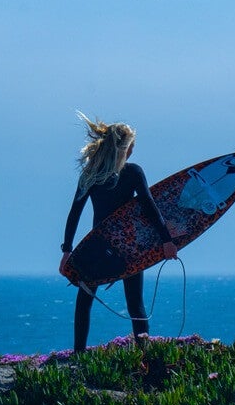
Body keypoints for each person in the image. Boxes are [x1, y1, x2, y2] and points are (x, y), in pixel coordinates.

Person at [59, 113, 177, 353]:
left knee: (84, 300)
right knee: (135, 304)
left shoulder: (90, 175)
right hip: (128, 247)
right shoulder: (133, 172)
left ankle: (78, 354)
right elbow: (150, 207)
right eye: (131, 146)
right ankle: (144, 354)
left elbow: (74, 214)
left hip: (98, 246)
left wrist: (67, 251)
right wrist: (167, 241)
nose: (133, 150)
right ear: (123, 148)